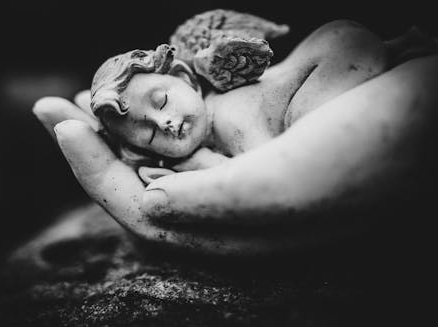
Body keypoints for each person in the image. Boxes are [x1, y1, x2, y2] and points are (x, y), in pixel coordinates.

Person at [33, 20, 438, 256]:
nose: (167, 122)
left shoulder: (225, 105)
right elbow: (260, 166)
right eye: (149, 131)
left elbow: (270, 156)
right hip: (334, 92)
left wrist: (198, 166)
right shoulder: (206, 144)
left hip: (335, 59)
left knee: (336, 60)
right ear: (140, 149)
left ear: (184, 78)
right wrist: (196, 167)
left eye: (162, 100)